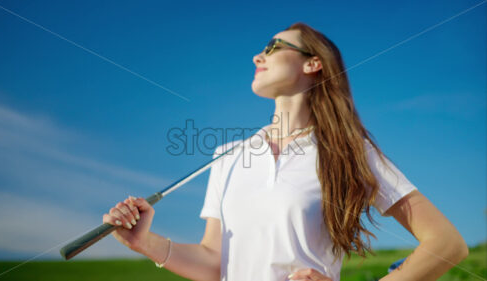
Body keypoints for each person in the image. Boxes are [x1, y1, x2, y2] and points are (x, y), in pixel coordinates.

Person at [102, 22, 469, 281]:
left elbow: (447, 244)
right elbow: (216, 264)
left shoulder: (350, 150)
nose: (257, 57)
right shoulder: (228, 155)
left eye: (273, 47)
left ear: (313, 64)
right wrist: (145, 243)